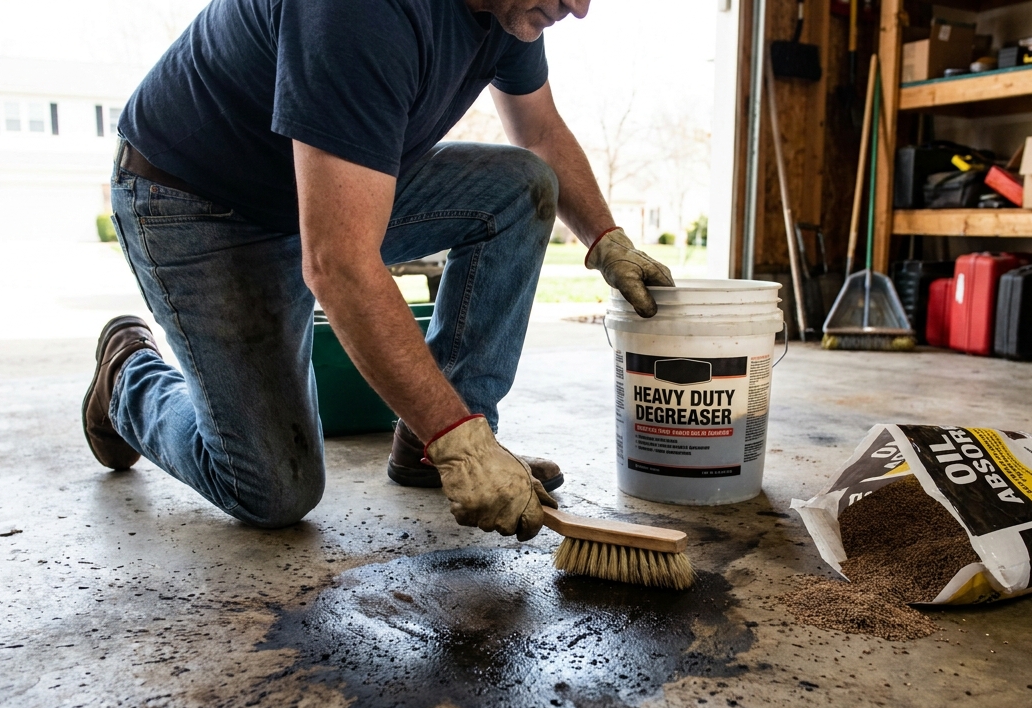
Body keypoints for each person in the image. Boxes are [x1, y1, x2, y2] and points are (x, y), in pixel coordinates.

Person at [82, 0, 673, 542]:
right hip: (202, 203)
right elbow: (338, 263)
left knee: (520, 187)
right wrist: (458, 443)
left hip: (325, 185)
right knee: (273, 490)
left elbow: (539, 132)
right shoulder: (358, 12)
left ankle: (433, 442)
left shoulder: (510, 9)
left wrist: (606, 238)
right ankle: (126, 380)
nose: (579, 7)